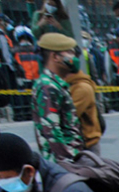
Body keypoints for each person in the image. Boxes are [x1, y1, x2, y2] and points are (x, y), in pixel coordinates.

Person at [31, 33, 85, 165]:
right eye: (69, 53)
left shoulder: (56, 84)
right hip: (63, 164)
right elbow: (52, 133)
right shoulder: (48, 87)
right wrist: (69, 163)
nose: (74, 58)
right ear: (55, 57)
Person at [64, 49, 102, 155]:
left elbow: (69, 116)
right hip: (78, 143)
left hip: (86, 144)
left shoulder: (81, 88)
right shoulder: (69, 85)